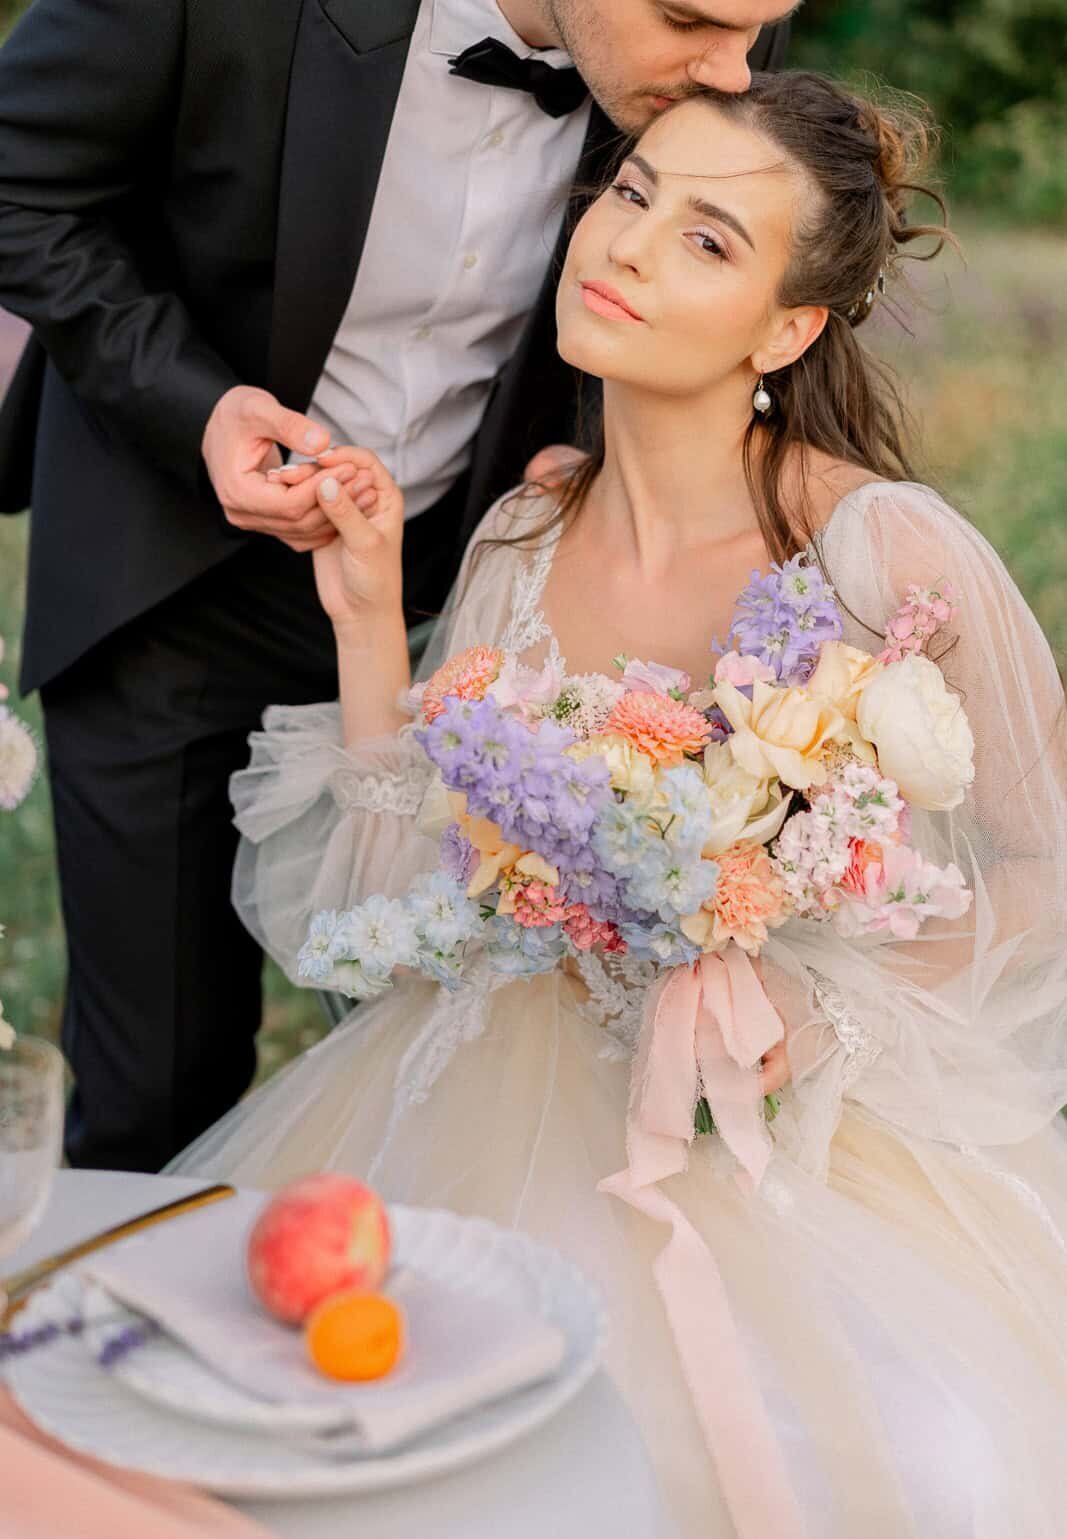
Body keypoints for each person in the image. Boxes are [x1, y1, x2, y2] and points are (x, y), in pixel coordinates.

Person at [169, 71, 1067, 1539]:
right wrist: (373, 617)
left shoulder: (875, 550)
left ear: (785, 329)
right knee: (359, 1454)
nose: (630, 246)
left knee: (895, 1460)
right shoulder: (524, 531)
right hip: (492, 1085)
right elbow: (404, 907)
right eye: (635, 191)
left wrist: (808, 999)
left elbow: (1043, 865)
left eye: (709, 242)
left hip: (781, 1128)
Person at [0, 0, 792, 1172]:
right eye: (690, 21)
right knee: (159, 1097)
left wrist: (592, 449)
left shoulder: (706, 35)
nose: (733, 71)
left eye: (756, 28)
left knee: (450, 1084)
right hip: (168, 572)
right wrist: (195, 406)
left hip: (470, 628)